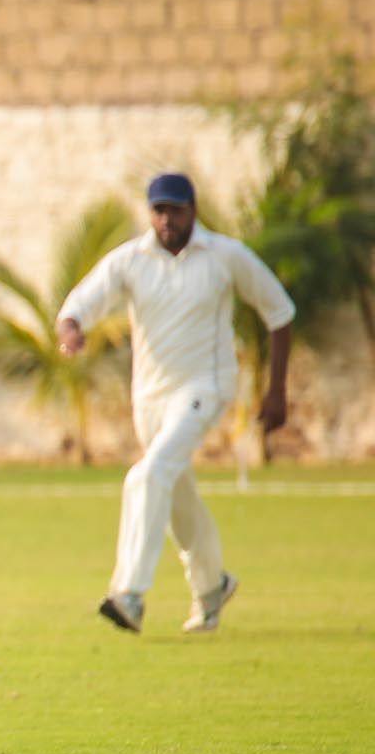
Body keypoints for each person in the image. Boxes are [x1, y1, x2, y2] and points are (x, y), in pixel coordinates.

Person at [57, 173, 295, 634]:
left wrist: (277, 390)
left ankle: (129, 594)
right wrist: (71, 330)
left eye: (176, 210)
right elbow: (81, 303)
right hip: (149, 399)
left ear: (193, 211)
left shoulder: (225, 256)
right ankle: (212, 586)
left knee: (147, 475)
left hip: (205, 388)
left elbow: (279, 311)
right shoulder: (131, 260)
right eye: (159, 211)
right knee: (176, 495)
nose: (167, 220)